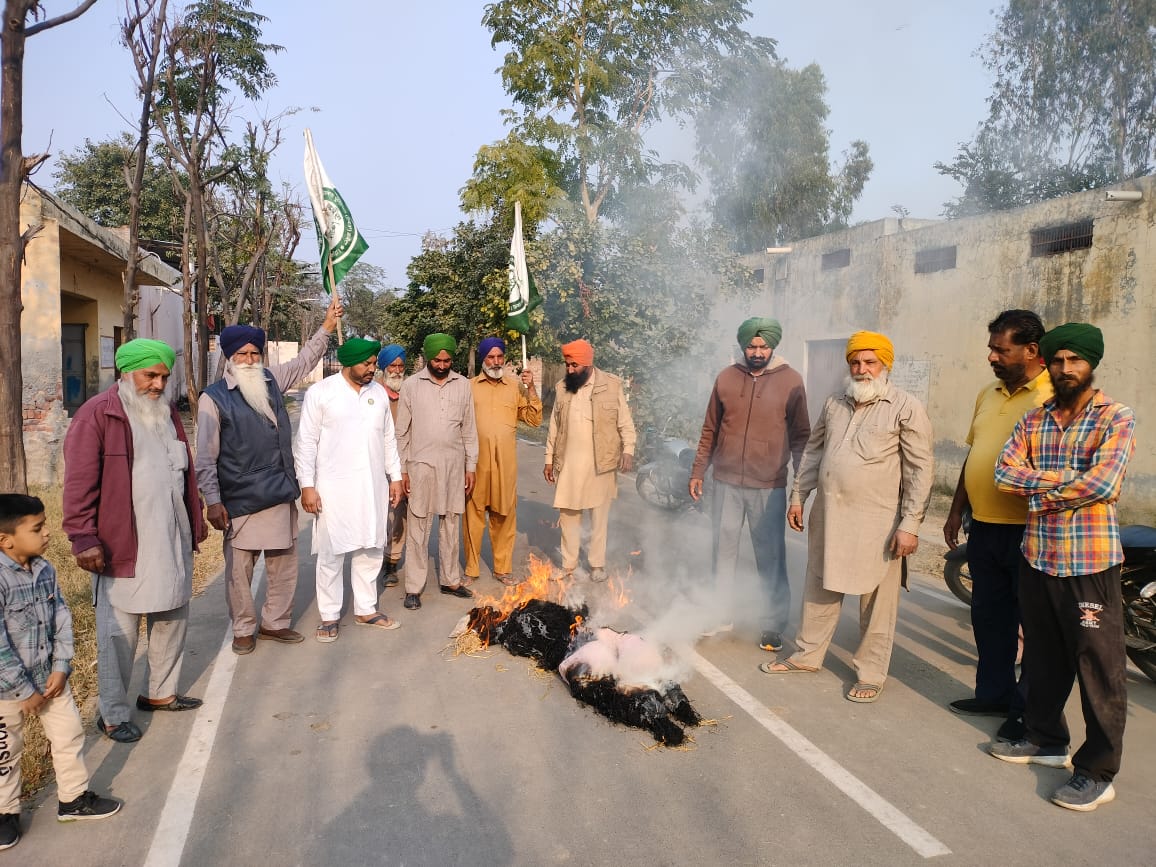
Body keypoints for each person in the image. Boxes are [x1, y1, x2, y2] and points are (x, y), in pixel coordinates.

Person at [989, 323, 1135, 812]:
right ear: (1046, 363)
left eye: (1075, 360)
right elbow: (1004, 473)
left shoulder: (1115, 416)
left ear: (1091, 363)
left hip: (1089, 561)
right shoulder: (1035, 420)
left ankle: (1097, 770)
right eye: (1057, 360)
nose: (1065, 368)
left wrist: (1041, 492)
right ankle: (1045, 739)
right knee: (1044, 659)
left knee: (1098, 665)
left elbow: (1104, 484)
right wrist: (1063, 481)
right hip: (1039, 556)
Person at [761, 331, 934, 704]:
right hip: (830, 515)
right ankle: (807, 655)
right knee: (820, 584)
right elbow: (813, 452)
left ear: (884, 365)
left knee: (876, 600)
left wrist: (910, 525)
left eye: (870, 362)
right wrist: (798, 497)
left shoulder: (905, 406)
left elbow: (921, 470)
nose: (861, 369)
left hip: (879, 523)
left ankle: (871, 673)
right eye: (855, 362)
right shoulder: (834, 403)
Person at [63, 338, 207, 744]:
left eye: (164, 376)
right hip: (121, 543)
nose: (159, 384)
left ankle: (160, 694)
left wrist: (195, 520)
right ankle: (111, 714)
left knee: (171, 617)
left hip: (170, 535)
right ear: (126, 372)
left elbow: (183, 473)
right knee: (119, 633)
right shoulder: (97, 415)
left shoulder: (166, 414)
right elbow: (78, 485)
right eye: (151, 375)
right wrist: (83, 537)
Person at [196, 297, 344, 655]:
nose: (249, 360)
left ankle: (275, 623)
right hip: (240, 499)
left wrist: (325, 328)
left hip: (277, 491)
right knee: (239, 573)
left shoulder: (271, 380)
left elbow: (304, 361)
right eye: (242, 355)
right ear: (229, 357)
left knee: (283, 566)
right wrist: (213, 501)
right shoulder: (213, 399)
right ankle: (244, 628)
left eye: (254, 354)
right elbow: (204, 457)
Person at [943, 310, 1052, 741]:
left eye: (1000, 349)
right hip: (983, 526)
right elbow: (975, 453)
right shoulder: (988, 393)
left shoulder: (1049, 395)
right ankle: (993, 694)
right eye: (991, 348)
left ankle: (1025, 711)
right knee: (989, 618)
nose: (991, 357)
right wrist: (955, 510)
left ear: (1031, 351)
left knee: (1035, 625)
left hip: (1029, 528)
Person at [0, 494, 122, 849]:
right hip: (8, 691)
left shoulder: (45, 570)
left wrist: (61, 666)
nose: (48, 533)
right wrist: (25, 691)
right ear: (6, 540)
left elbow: (62, 618)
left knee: (69, 737)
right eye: (37, 528)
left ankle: (73, 799)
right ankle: (5, 812)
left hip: (50, 681)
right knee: (6, 753)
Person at [689, 317, 810, 650]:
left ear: (773, 346)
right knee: (722, 552)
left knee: (770, 556)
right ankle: (719, 614)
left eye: (764, 346)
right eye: (751, 346)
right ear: (742, 345)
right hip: (726, 482)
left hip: (768, 485)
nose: (757, 352)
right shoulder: (726, 378)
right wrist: (699, 470)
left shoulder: (792, 381)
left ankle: (772, 623)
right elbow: (710, 429)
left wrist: (800, 487)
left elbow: (802, 438)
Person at [294, 338, 405, 642]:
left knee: (370, 547)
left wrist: (395, 477)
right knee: (332, 552)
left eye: (374, 363)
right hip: (333, 488)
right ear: (348, 362)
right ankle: (329, 614)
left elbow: (388, 439)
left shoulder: (378, 394)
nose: (373, 369)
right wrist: (307, 485)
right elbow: (305, 443)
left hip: (372, 486)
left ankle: (366, 608)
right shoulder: (322, 393)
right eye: (366, 364)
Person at [395, 333, 479, 609]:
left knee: (451, 523)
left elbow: (469, 430)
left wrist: (471, 466)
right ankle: (414, 587)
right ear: (428, 357)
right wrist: (402, 470)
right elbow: (402, 432)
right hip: (420, 467)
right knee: (419, 525)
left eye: (447, 360)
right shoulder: (411, 385)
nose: (442, 365)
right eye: (437, 360)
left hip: (454, 467)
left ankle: (451, 580)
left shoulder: (463, 385)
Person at [543, 339, 636, 582]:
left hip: (601, 464)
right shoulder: (563, 388)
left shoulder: (611, 385)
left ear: (587, 363)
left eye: (574, 365)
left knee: (598, 518)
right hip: (569, 464)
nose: (570, 370)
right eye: (567, 364)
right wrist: (549, 459)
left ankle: (597, 565)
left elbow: (625, 422)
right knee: (569, 517)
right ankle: (568, 565)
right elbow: (554, 426)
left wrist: (628, 450)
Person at [464, 338, 543, 586]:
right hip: (476, 465)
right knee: (473, 518)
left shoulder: (514, 387)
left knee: (504, 516)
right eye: (491, 357)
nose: (496, 362)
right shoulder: (468, 387)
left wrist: (530, 389)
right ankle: (471, 569)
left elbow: (533, 420)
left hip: (505, 466)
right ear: (482, 359)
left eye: (500, 357)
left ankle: (502, 569)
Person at [375, 343, 409, 588]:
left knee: (398, 516)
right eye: (392, 366)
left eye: (400, 366)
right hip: (376, 464)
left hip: (404, 465)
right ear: (383, 368)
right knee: (377, 516)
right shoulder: (372, 393)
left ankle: (391, 564)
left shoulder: (410, 392)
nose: (396, 370)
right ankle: (371, 561)